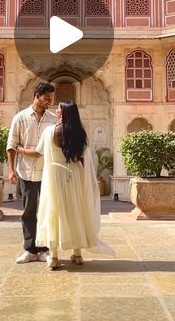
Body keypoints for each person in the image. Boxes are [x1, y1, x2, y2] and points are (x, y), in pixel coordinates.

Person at [16, 99, 114, 269]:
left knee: (54, 213)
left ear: (64, 113)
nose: (57, 111)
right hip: (73, 175)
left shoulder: (49, 132)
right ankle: (77, 254)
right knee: (74, 211)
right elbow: (83, 160)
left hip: (54, 175)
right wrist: (84, 182)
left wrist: (20, 150)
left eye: (59, 109)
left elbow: (37, 153)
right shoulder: (80, 133)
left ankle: (53, 257)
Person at [7, 82, 56, 264]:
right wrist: (11, 170)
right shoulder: (20, 118)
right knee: (28, 211)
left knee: (46, 211)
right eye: (46, 98)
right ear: (37, 95)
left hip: (47, 173)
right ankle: (30, 249)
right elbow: (11, 146)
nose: (49, 102)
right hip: (27, 172)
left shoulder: (53, 119)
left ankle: (44, 249)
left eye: (51, 99)